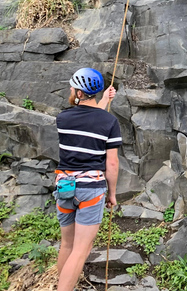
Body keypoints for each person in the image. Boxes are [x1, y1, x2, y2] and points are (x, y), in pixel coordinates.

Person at [54, 68, 120, 291]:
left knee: (67, 245)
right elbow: (111, 163)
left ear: (80, 94)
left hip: (64, 187)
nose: (70, 91)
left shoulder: (63, 119)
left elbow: (89, 120)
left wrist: (103, 101)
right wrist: (111, 194)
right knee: (81, 250)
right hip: (91, 190)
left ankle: (60, 285)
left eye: (73, 88)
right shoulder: (110, 122)